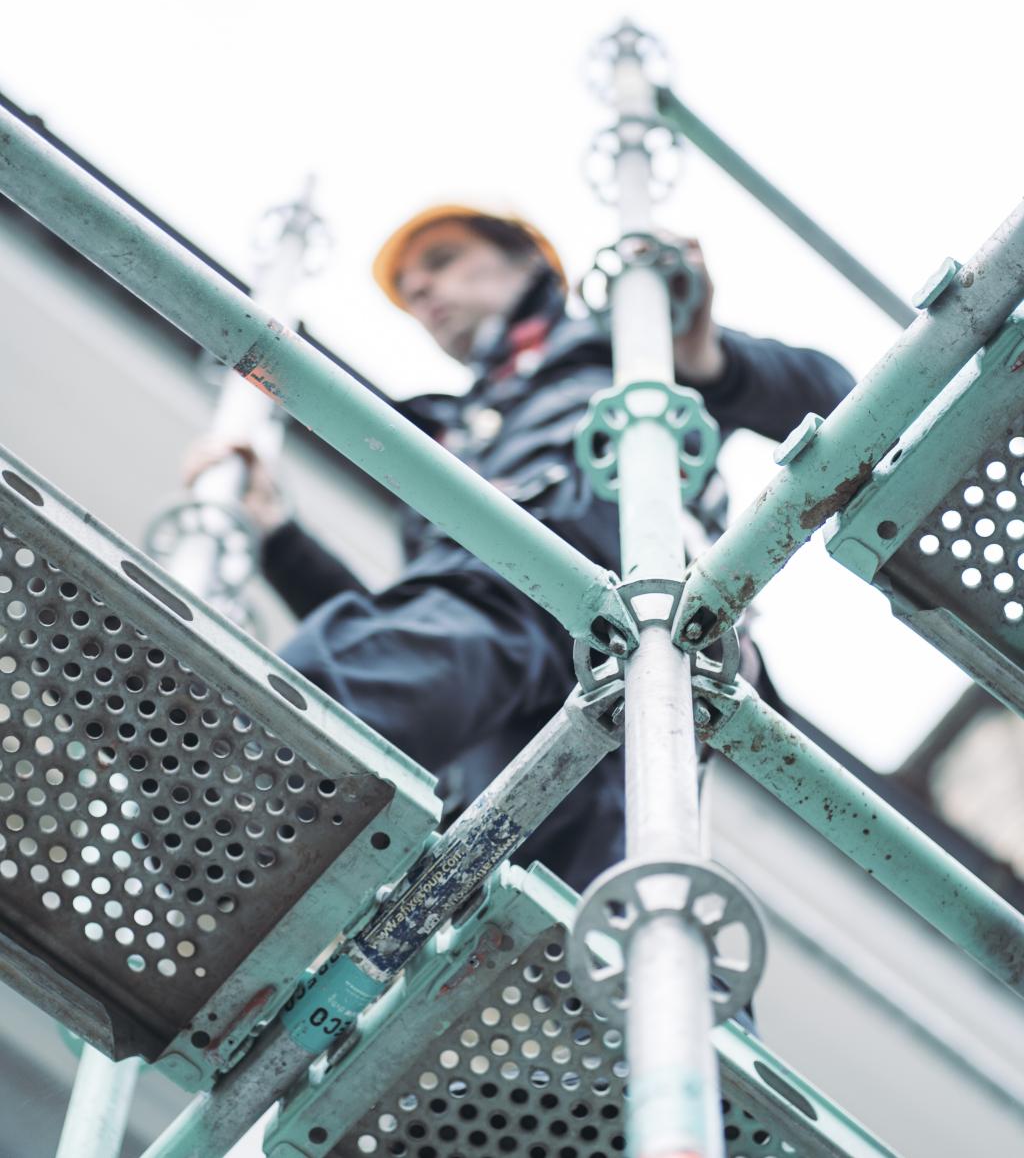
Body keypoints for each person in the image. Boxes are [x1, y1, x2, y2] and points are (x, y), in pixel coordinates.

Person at [188, 205, 855, 893]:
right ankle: (223, 835)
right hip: (513, 657)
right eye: (410, 292)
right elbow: (421, 634)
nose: (424, 292)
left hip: (619, 616)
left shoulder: (625, 340)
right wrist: (280, 539)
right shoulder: (450, 434)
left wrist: (705, 356)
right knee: (485, 876)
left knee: (584, 884)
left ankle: (212, 784)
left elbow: (837, 400)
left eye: (442, 261)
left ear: (528, 261)